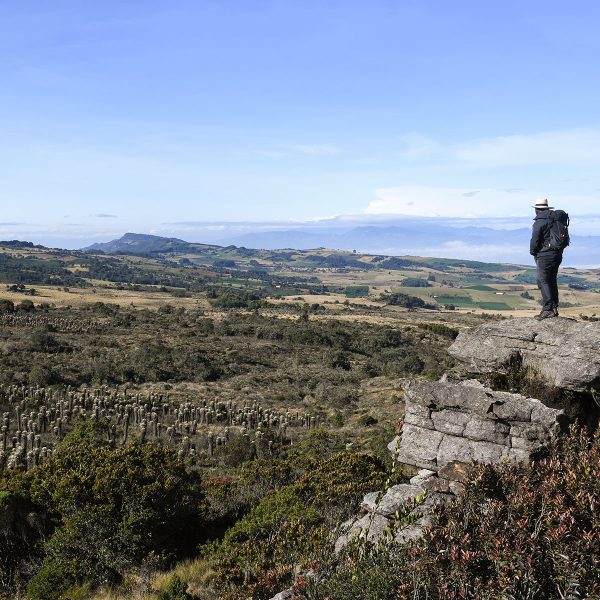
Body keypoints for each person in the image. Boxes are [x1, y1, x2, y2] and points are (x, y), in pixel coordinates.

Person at [530, 198, 563, 320]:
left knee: (542, 280)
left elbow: (535, 240)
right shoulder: (555, 219)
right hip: (557, 254)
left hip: (545, 255)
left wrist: (533, 251)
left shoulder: (540, 221)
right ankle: (554, 307)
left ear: (537, 210)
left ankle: (548, 309)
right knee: (551, 280)